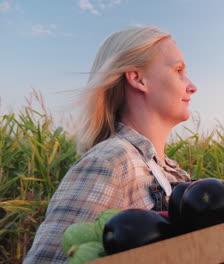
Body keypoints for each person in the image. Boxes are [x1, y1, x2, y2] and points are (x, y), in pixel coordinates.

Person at [24, 26, 197, 263]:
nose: (192, 86)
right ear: (138, 79)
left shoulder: (172, 172)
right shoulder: (111, 161)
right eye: (178, 70)